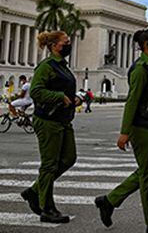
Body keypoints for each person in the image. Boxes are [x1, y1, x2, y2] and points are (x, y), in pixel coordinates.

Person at [95, 28, 148, 233]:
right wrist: (124, 132)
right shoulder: (140, 69)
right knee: (147, 175)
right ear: (147, 45)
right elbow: (132, 101)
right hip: (140, 125)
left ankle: (109, 201)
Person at [20, 31, 80, 224]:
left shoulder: (63, 66)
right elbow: (36, 91)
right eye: (66, 42)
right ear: (54, 45)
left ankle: (35, 190)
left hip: (63, 119)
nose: (69, 45)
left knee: (69, 158)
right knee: (49, 165)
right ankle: (47, 208)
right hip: (48, 121)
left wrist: (75, 99)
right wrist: (58, 97)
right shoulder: (47, 66)